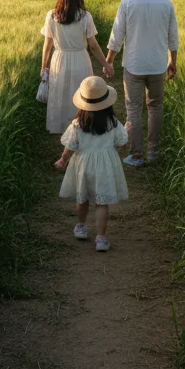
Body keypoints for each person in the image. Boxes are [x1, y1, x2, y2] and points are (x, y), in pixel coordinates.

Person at [105, 0, 178, 166]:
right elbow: (173, 37)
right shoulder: (166, 3)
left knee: (134, 109)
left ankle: (137, 155)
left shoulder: (127, 3)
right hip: (158, 65)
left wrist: (109, 60)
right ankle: (154, 153)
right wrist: (173, 62)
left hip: (134, 65)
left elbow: (116, 36)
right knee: (156, 107)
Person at [54, 76, 129, 252]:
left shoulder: (77, 124)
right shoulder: (112, 123)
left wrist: (63, 159)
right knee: (102, 203)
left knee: (83, 198)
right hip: (105, 167)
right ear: (107, 104)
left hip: (83, 166)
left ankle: (81, 226)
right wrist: (126, 130)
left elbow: (70, 146)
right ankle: (101, 238)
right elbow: (121, 141)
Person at [41, 0, 114, 134]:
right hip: (80, 59)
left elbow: (48, 44)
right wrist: (106, 64)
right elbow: (93, 46)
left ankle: (62, 128)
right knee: (82, 93)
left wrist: (44, 67)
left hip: (59, 59)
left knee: (60, 93)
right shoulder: (85, 16)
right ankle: (81, 126)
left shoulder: (51, 15)